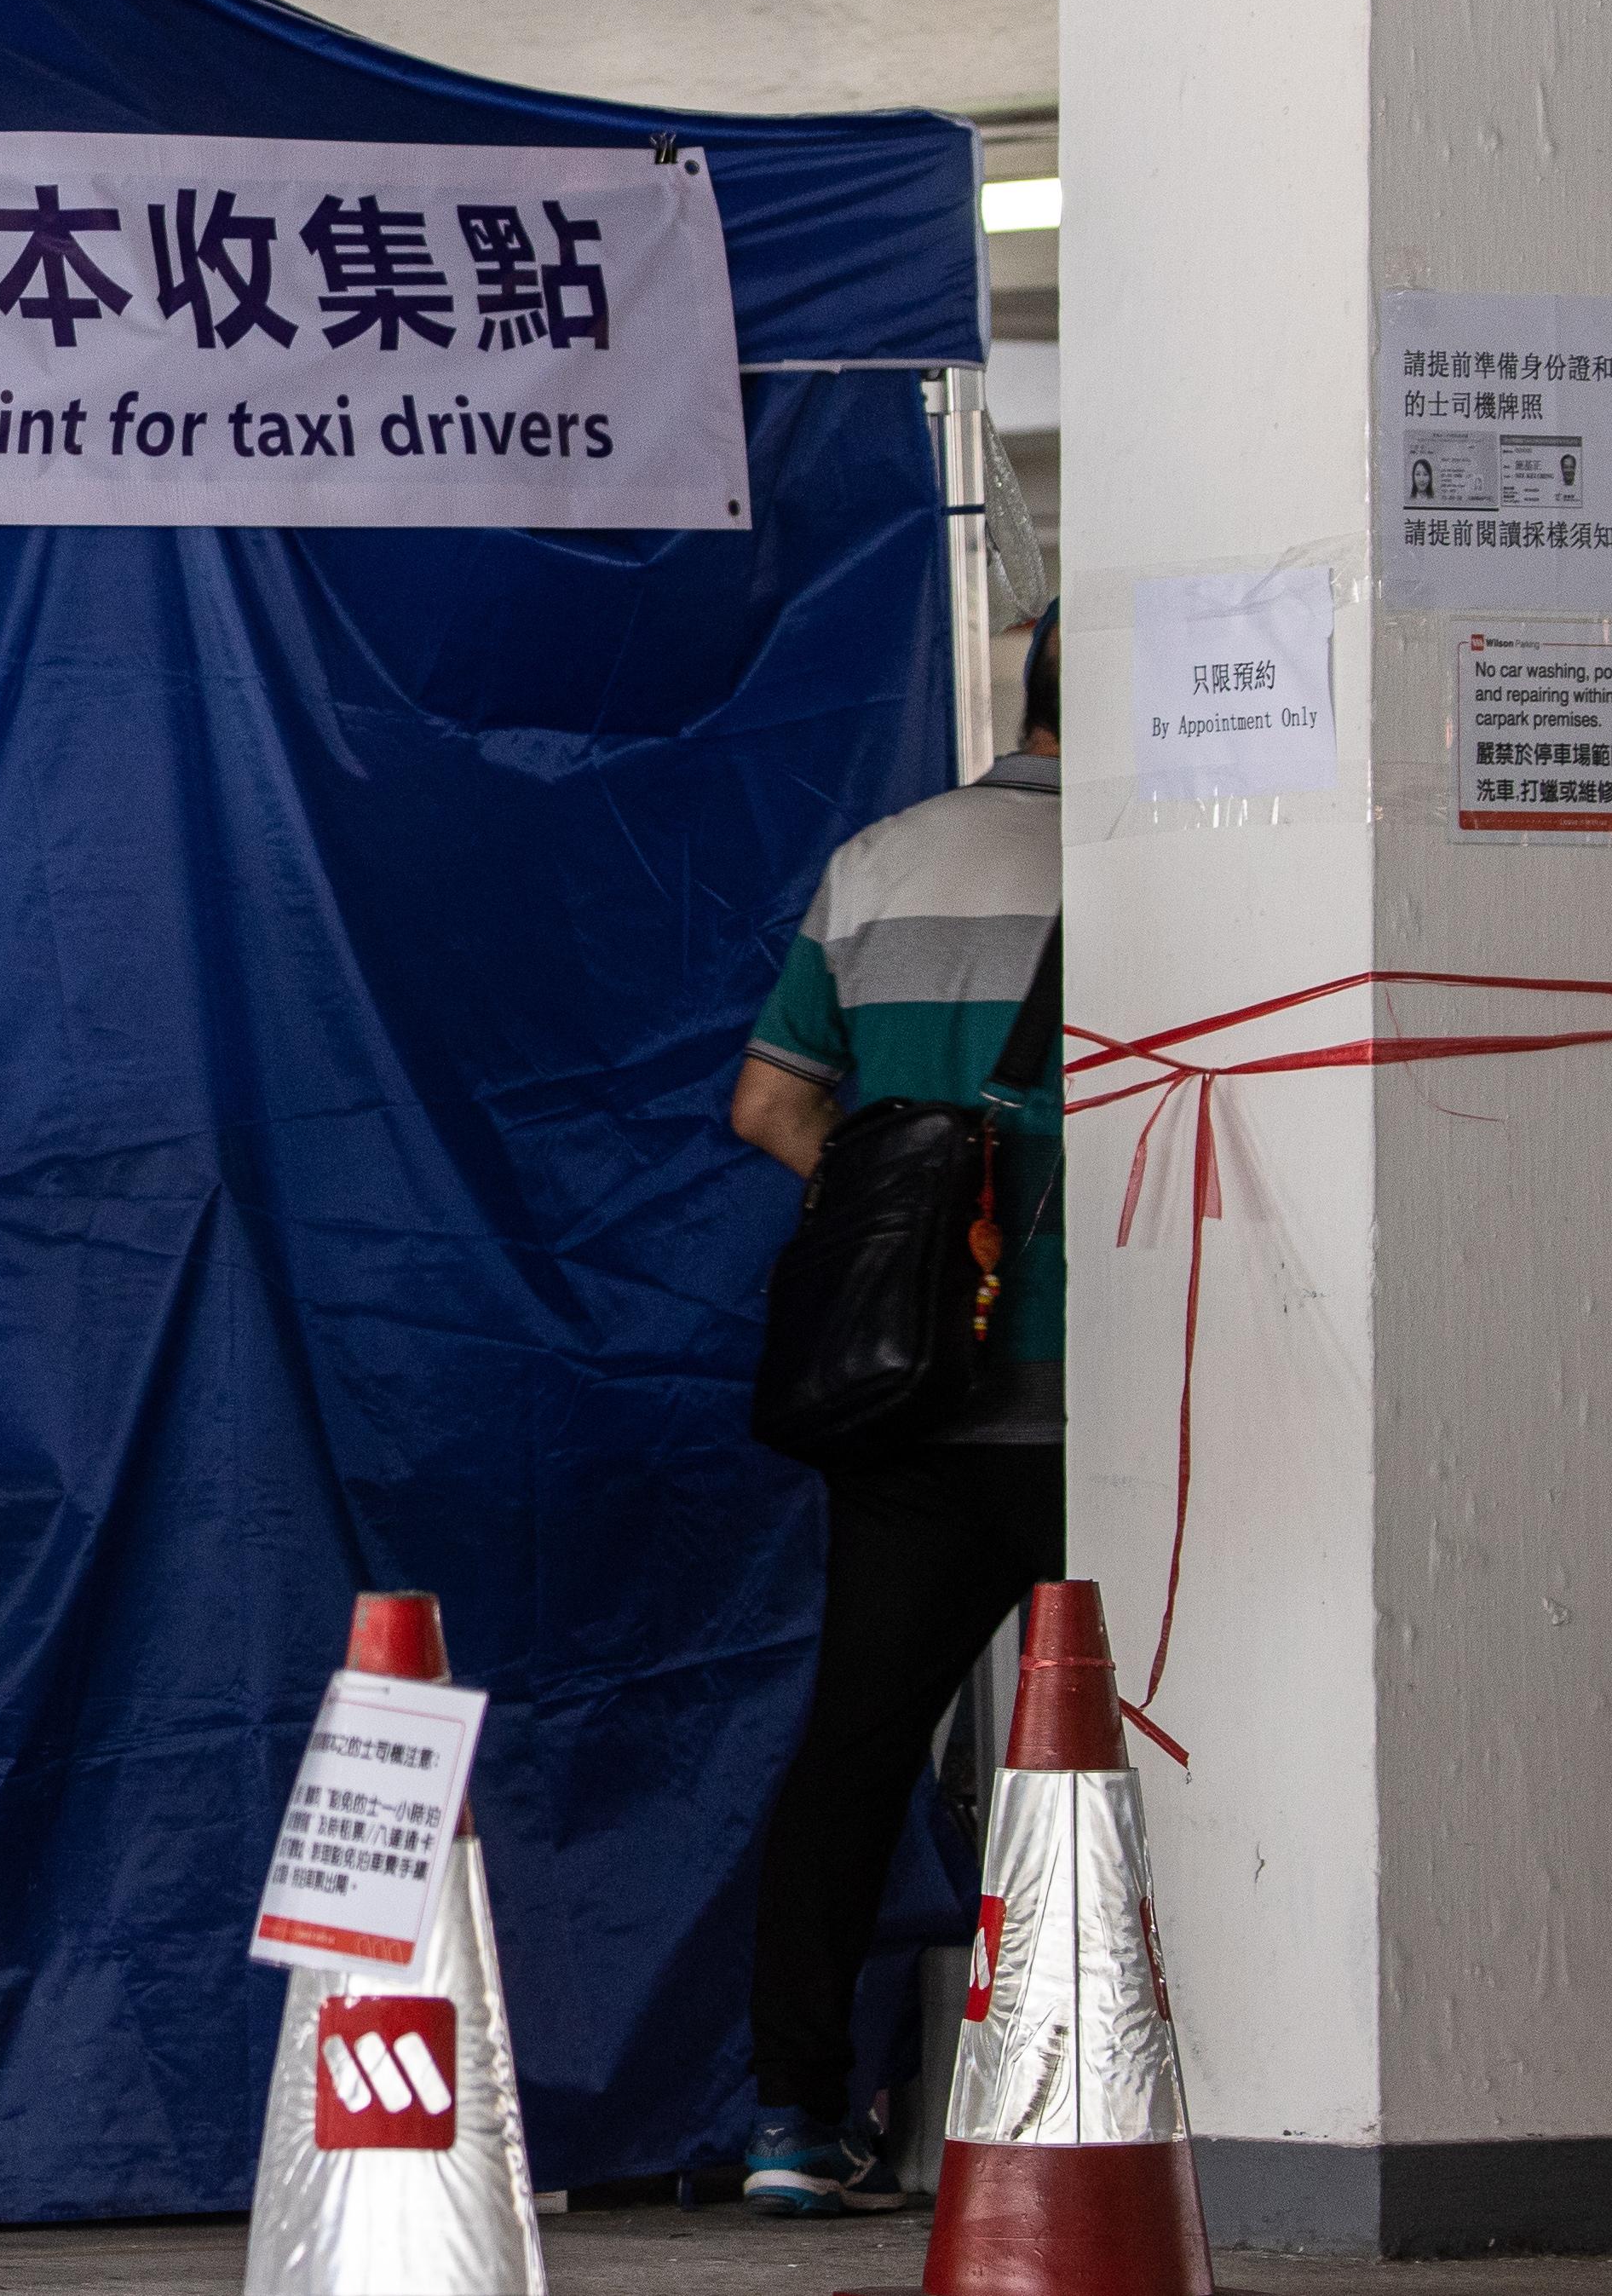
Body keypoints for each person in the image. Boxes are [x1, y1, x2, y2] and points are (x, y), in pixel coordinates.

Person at [723, 614, 1065, 2217]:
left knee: (855, 1748)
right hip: (1112, 1401)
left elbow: (772, 1102)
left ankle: (796, 2112)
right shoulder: (1192, 867)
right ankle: (1140, 2085)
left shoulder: (881, 860)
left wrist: (917, 1252)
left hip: (913, 1404)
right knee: (1175, 1744)